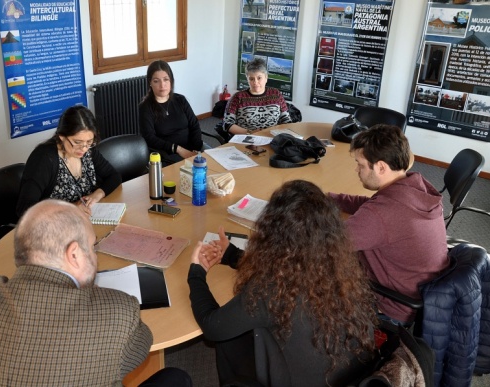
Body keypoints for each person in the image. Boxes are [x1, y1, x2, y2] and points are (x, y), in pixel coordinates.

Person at [0, 199, 191, 386]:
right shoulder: (117, 312)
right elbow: (137, 351)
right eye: (93, 247)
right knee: (176, 378)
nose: (95, 255)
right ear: (73, 254)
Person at [188, 180, 376, 386]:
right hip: (343, 376)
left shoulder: (273, 289)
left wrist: (196, 272)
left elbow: (212, 325)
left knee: (228, 338)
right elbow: (284, 268)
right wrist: (233, 255)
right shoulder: (341, 269)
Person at [327, 124, 449, 325]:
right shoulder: (415, 186)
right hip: (425, 295)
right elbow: (371, 205)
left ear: (381, 167)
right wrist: (332, 198)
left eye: (360, 164)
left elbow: (326, 244)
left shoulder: (379, 215)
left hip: (395, 308)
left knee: (318, 272)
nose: (356, 170)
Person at [16, 105, 121, 217]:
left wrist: (97, 194)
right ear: (62, 136)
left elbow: (114, 176)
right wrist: (72, 209)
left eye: (89, 142)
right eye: (77, 142)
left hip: (83, 220)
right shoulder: (44, 158)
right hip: (53, 226)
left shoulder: (88, 150)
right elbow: (25, 209)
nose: (84, 148)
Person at [139, 60, 205, 164]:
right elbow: (150, 138)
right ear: (150, 83)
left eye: (166, 80)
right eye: (156, 81)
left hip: (192, 149)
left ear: (171, 81)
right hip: (168, 155)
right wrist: (177, 149)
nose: (162, 85)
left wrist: (194, 149)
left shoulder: (181, 100)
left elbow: (194, 125)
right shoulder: (145, 107)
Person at [223, 57, 291, 136]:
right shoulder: (238, 97)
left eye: (259, 78)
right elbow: (227, 124)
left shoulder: (276, 94)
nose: (255, 82)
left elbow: (286, 120)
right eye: (251, 79)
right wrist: (250, 132)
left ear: (266, 77)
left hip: (272, 138)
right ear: (247, 79)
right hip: (247, 138)